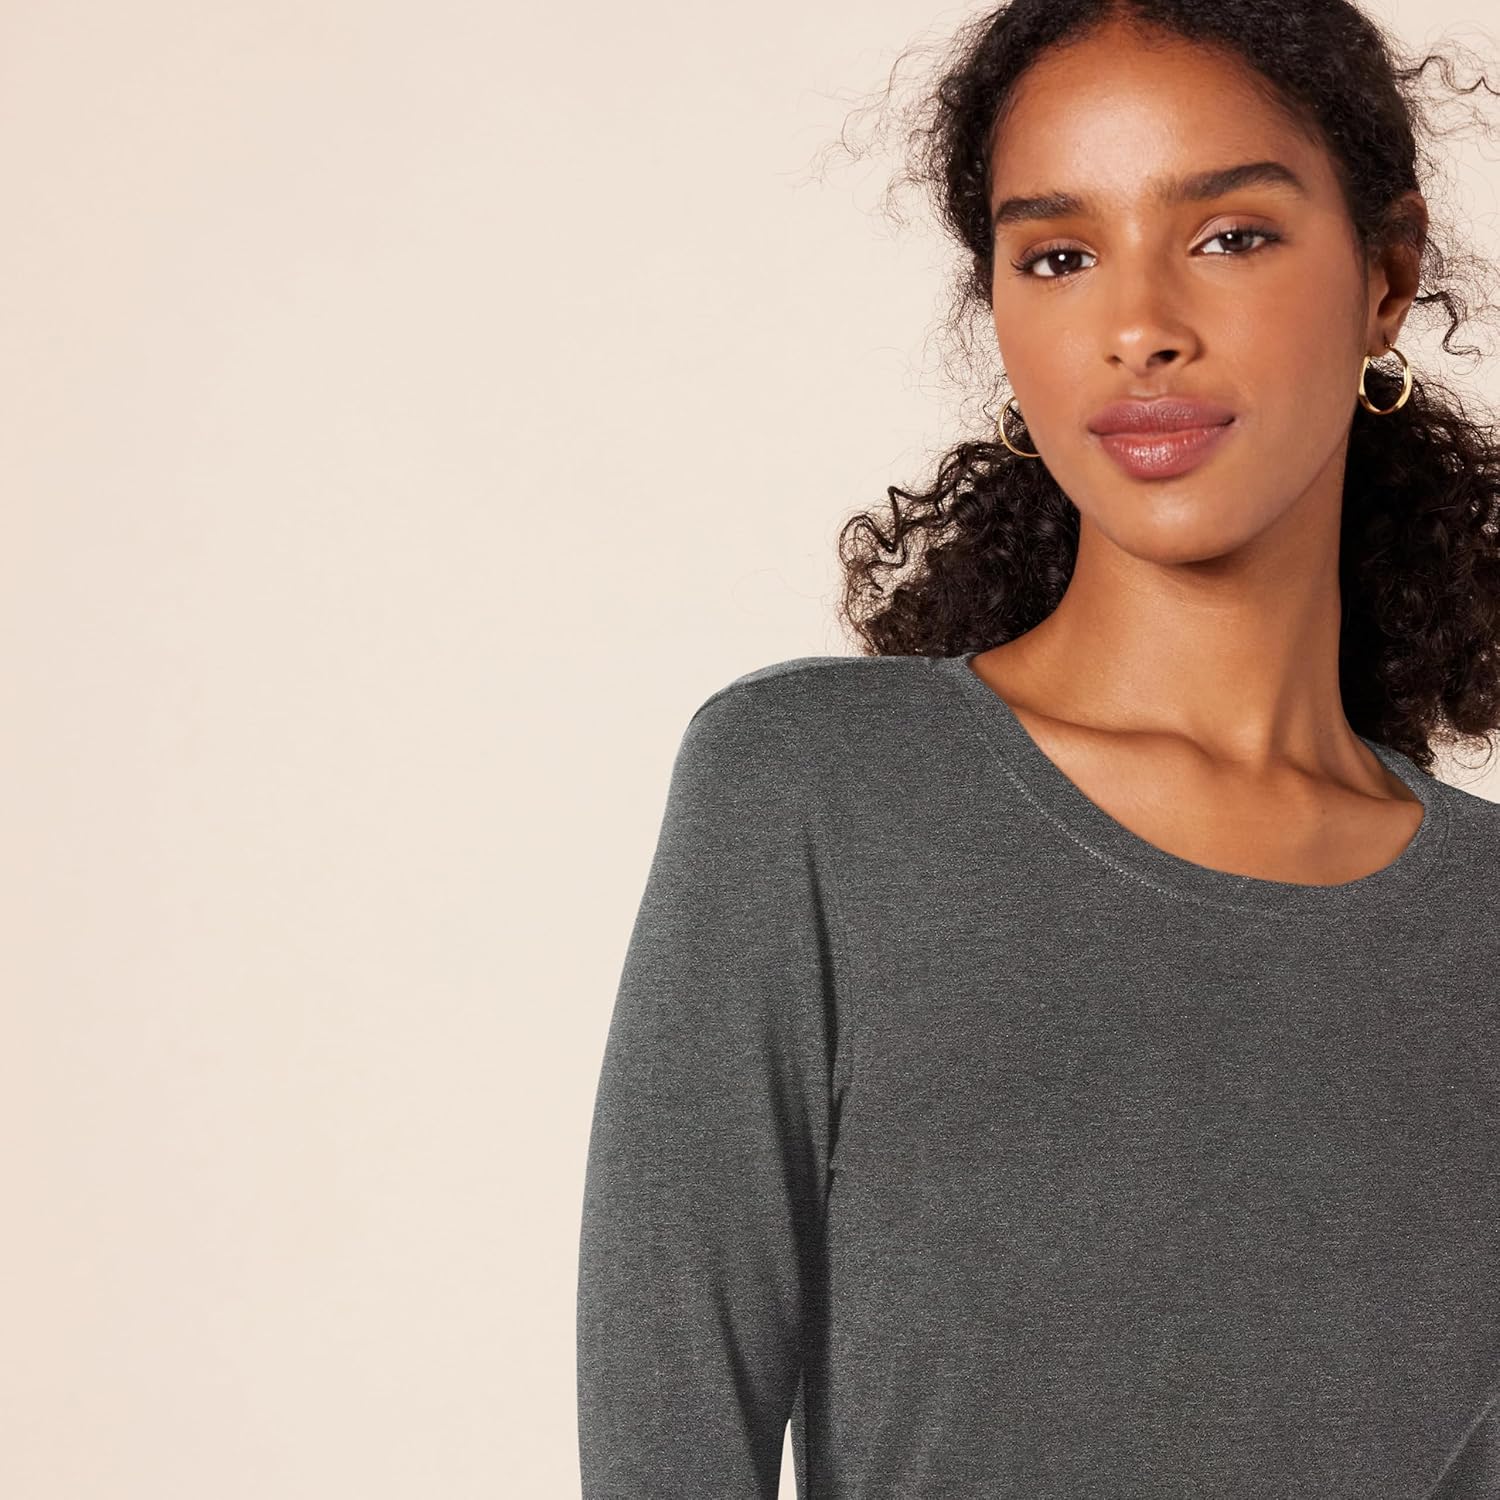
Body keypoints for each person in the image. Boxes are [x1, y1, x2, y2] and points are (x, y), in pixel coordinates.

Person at [577, 1, 1500, 1494]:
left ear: (1386, 275)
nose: (1139, 326)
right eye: (1060, 256)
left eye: (1230, 236)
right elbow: (665, 1443)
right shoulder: (816, 795)